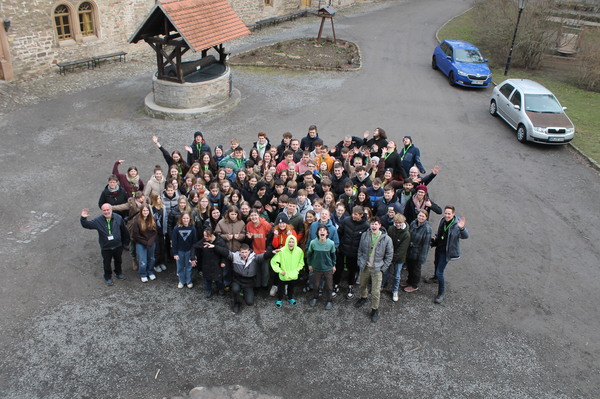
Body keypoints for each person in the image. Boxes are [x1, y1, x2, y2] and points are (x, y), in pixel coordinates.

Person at [209, 242, 278, 313]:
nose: (244, 254)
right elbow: (225, 252)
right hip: (237, 280)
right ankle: (237, 303)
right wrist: (214, 246)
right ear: (239, 252)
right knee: (235, 289)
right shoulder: (235, 256)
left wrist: (272, 252)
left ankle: (243, 293)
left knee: (249, 302)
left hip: (249, 282)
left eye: (246, 252)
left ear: (249, 251)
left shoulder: (254, 257)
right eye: (242, 252)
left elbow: (264, 256)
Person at [355, 217, 394, 323]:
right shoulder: (365, 235)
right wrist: (360, 262)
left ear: (380, 225)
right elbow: (360, 250)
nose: (373, 226)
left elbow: (389, 255)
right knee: (362, 285)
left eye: (376, 224)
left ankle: (374, 309)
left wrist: (383, 268)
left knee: (376, 291)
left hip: (377, 269)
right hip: (365, 266)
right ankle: (364, 297)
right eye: (372, 224)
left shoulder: (387, 239)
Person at [80, 204, 130, 286]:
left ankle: (118, 273)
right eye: (104, 210)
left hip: (117, 245)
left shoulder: (118, 218)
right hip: (106, 247)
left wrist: (126, 242)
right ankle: (108, 277)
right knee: (107, 262)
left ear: (111, 210)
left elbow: (124, 230)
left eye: (108, 210)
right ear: (102, 211)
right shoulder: (98, 220)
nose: (106, 212)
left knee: (118, 260)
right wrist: (83, 218)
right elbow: (87, 225)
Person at [429, 206, 468, 304]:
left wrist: (462, 228)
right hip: (439, 247)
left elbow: (466, 236)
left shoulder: (457, 225)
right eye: (445, 213)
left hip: (446, 252)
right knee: (436, 263)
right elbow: (440, 232)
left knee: (440, 272)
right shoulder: (443, 221)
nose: (446, 215)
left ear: (453, 214)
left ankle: (441, 293)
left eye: (449, 214)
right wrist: (436, 237)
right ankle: (435, 278)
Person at [335, 206, 369, 299]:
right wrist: (339, 245)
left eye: (356, 214)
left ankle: (350, 286)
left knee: (352, 270)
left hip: (355, 252)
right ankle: (336, 284)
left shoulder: (366, 225)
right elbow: (339, 233)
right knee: (339, 268)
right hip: (343, 249)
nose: (353, 216)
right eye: (353, 213)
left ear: (361, 215)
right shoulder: (346, 221)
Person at [307, 224, 336, 309]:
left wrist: (333, 265)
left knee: (329, 286)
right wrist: (310, 264)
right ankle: (315, 297)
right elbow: (309, 255)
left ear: (327, 233)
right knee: (315, 285)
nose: (322, 232)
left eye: (324, 230)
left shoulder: (331, 243)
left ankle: (329, 300)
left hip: (328, 268)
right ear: (317, 233)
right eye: (320, 230)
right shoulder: (313, 243)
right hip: (316, 268)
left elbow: (333, 256)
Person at [191, 228, 227, 298]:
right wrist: (193, 258)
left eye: (207, 236)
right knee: (207, 279)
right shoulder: (204, 240)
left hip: (217, 264)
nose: (205, 237)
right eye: (204, 235)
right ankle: (208, 290)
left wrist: (223, 261)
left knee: (219, 279)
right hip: (206, 263)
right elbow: (194, 247)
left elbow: (225, 252)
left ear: (212, 235)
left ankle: (220, 290)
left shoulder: (220, 241)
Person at [270, 235, 304, 308]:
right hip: (284, 274)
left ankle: (290, 298)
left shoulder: (299, 251)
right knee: (281, 288)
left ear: (295, 243)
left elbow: (301, 262)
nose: (291, 243)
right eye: (289, 242)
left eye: (293, 242)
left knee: (291, 287)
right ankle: (279, 299)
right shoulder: (282, 251)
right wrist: (280, 271)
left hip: (293, 274)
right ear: (286, 242)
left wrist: (297, 270)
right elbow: (273, 262)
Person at [404, 210, 432, 294]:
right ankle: (409, 280)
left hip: (418, 252)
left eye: (423, 216)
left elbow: (426, 245)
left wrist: (422, 258)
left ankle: (414, 285)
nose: (420, 217)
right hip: (410, 250)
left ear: (426, 218)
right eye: (420, 215)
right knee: (409, 267)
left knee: (416, 269)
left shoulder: (427, 229)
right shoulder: (413, 223)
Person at [384, 214, 411, 302]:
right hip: (390, 256)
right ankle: (382, 285)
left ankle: (395, 290)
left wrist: (392, 259)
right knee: (385, 272)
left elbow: (401, 250)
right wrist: (389, 257)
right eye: (396, 222)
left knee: (397, 276)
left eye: (400, 223)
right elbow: (388, 243)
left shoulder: (406, 234)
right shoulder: (391, 229)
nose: (398, 224)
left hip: (399, 259)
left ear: (403, 222)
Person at [246, 209, 273, 290]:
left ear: (258, 215)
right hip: (254, 252)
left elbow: (271, 238)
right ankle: (257, 285)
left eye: (255, 215)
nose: (253, 217)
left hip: (264, 251)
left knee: (265, 271)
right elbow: (248, 240)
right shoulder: (248, 225)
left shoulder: (266, 224)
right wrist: (249, 239)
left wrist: (268, 249)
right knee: (256, 270)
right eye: (251, 215)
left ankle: (265, 285)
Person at [131, 204, 158, 283]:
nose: (145, 212)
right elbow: (136, 235)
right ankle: (143, 274)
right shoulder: (137, 221)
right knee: (143, 260)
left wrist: (150, 242)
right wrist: (146, 242)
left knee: (151, 258)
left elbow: (155, 232)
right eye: (144, 210)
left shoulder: (152, 219)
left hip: (151, 242)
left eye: (147, 210)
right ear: (141, 211)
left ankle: (150, 271)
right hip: (141, 243)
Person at [171, 212, 197, 289]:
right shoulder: (176, 228)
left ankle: (188, 281)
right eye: (184, 218)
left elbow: (194, 242)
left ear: (190, 219)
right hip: (180, 251)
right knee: (180, 267)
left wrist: (193, 254)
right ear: (181, 219)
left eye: (187, 218)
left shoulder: (192, 228)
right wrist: (175, 253)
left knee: (189, 267)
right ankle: (181, 281)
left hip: (189, 251)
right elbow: (174, 241)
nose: (186, 220)